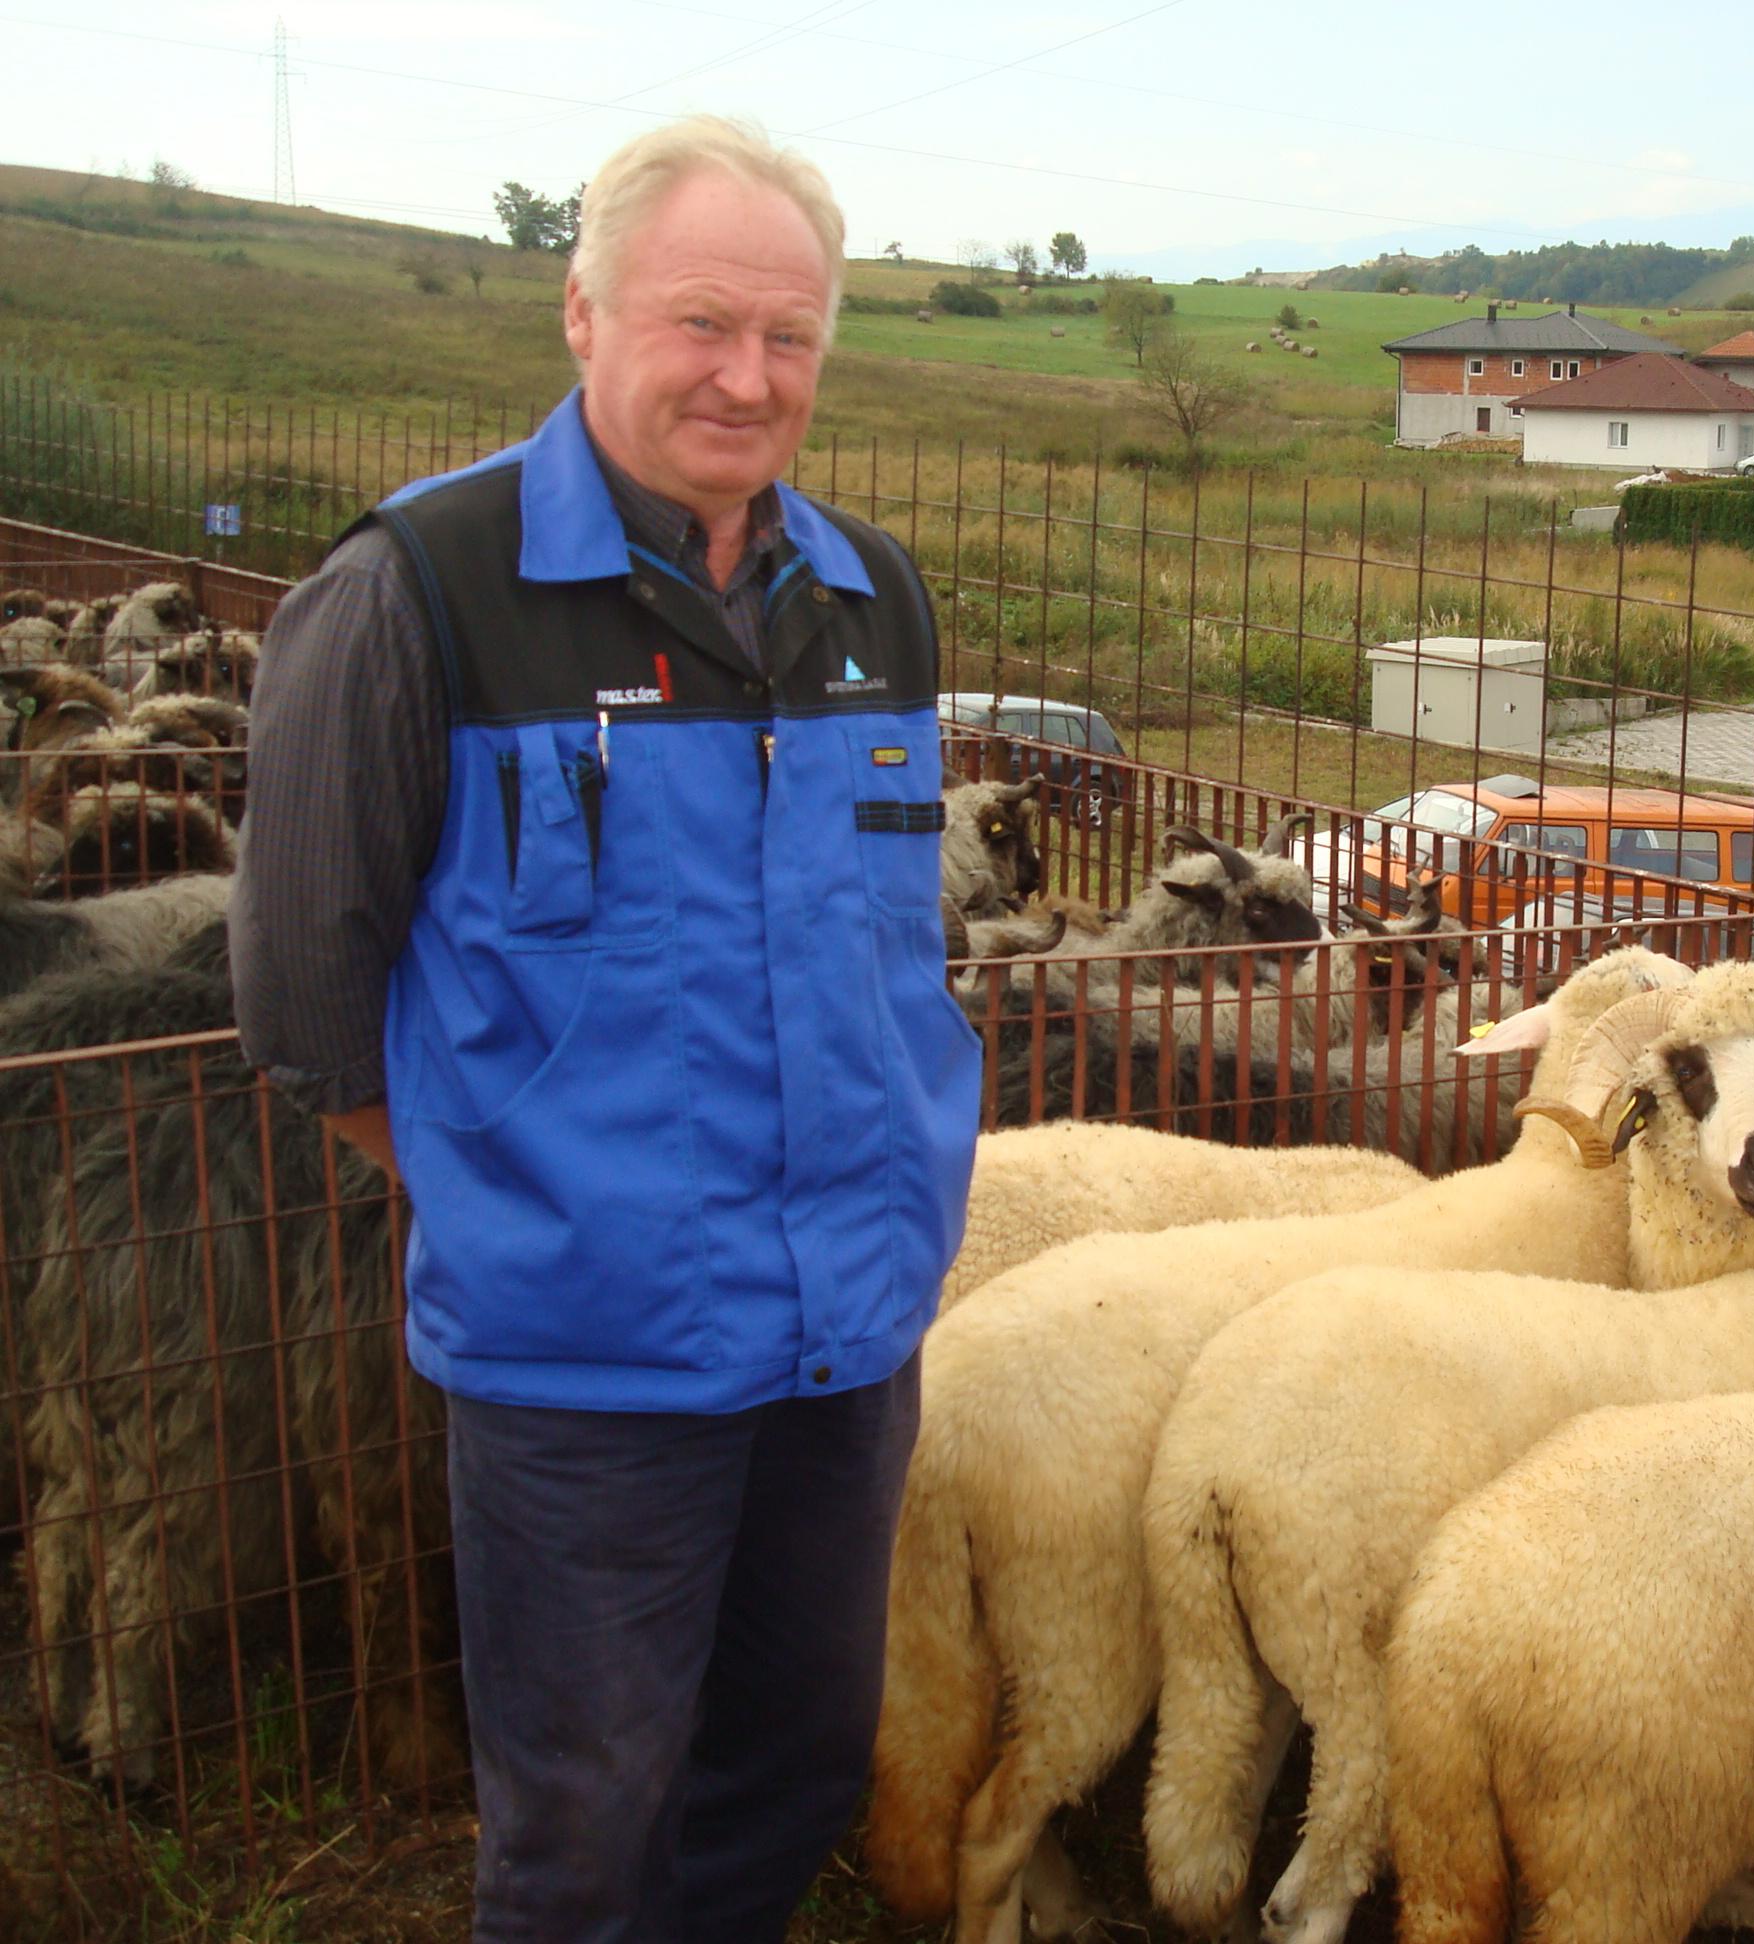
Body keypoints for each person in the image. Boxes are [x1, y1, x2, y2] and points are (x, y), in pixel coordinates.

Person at [230, 116, 981, 1942]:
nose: (747, 378)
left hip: (844, 1351)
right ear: (584, 314)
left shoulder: (874, 599)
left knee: (795, 1770)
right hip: (588, 1379)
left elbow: (894, 957)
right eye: (701, 323)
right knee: (582, 1833)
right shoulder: (421, 590)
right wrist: (525, 1201)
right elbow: (306, 1001)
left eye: (790, 337)